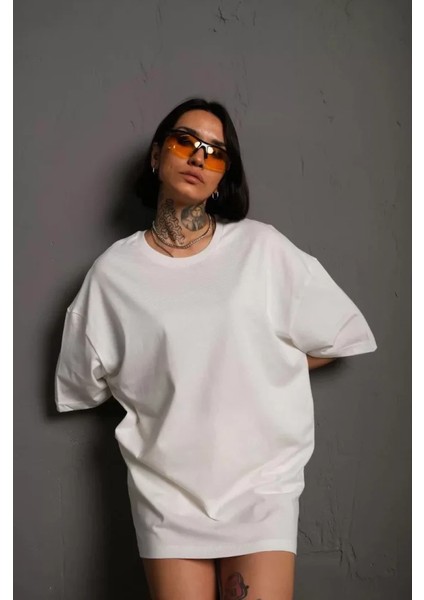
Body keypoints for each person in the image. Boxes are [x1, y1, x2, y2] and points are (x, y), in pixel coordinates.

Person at [55, 98, 377, 600]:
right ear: (157, 154)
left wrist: (261, 363)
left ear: (224, 175)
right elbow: (81, 384)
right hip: (167, 492)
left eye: (215, 152)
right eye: (185, 141)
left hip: (262, 486)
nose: (198, 157)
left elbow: (339, 334)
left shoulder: (260, 249)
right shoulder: (113, 274)